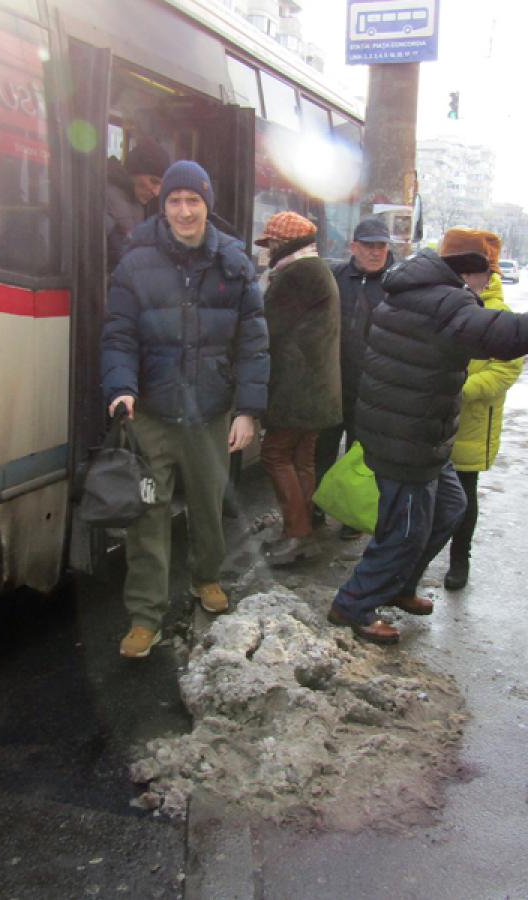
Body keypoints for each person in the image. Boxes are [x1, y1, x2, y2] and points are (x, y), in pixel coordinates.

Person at [326, 230, 528, 644]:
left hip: (422, 433)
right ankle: (352, 605)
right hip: (407, 438)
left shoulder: (421, 290)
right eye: (487, 273)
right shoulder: (443, 299)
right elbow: (507, 334)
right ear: (470, 271)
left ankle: (398, 585)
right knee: (405, 532)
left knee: (449, 507)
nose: (488, 282)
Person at [102, 160, 269, 658]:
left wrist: (247, 411)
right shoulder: (135, 262)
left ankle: (206, 578)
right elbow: (119, 334)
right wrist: (121, 387)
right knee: (147, 517)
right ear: (163, 206)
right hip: (151, 416)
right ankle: (144, 616)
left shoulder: (234, 264)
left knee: (208, 506)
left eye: (193, 200)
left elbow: (254, 344)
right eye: (174, 200)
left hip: (209, 414)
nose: (184, 210)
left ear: (207, 205)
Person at [254, 212, 342, 566]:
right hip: (317, 388)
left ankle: (297, 534)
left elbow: (267, 327)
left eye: (272, 243)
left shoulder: (296, 273)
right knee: (302, 458)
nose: (268, 249)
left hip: (296, 387)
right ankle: (302, 531)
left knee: (275, 454)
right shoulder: (316, 268)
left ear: (284, 242)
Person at [446, 228, 523, 591]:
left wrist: (457, 390)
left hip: (471, 420)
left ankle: (459, 558)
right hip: (430, 417)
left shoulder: (499, 314)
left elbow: (505, 370)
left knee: (463, 495)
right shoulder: (439, 302)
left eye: (471, 270)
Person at [314, 216, 395, 538]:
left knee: (361, 456)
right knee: (322, 450)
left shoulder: (396, 284)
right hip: (333, 384)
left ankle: (352, 517)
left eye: (381, 246)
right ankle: (317, 507)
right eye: (369, 246)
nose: (375, 252)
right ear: (354, 247)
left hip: (373, 389)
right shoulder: (334, 277)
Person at [105, 138, 170, 270]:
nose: (156, 192)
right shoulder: (106, 198)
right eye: (153, 181)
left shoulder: (135, 201)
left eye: (160, 185)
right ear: (134, 172)